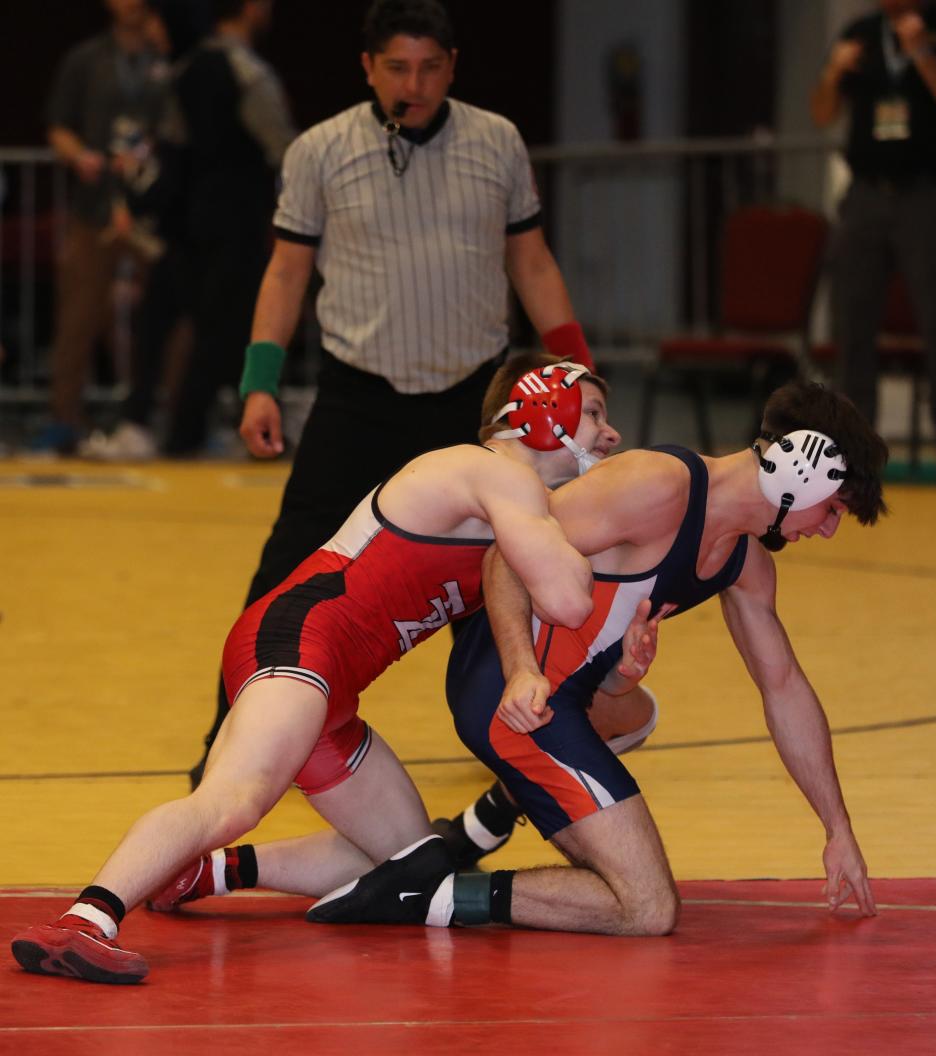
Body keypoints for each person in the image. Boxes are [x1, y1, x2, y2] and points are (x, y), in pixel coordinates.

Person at [10, 358, 625, 984]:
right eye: (596, 412)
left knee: (416, 864)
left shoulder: (521, 511)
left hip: (330, 684)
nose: (612, 436)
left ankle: (209, 872)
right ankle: (85, 921)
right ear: (542, 408)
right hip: (301, 641)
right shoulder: (491, 473)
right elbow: (570, 599)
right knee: (234, 797)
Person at [305, 381, 887, 935]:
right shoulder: (659, 485)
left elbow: (784, 689)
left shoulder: (746, 564)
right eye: (833, 508)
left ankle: (463, 849)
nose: (829, 530)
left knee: (637, 718)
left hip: (565, 702)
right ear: (801, 472)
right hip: (513, 699)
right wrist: (520, 671)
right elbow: (508, 554)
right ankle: (431, 892)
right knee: (647, 907)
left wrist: (838, 829)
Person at [190, 0, 596, 784]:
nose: (416, 83)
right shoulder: (319, 151)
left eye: (432, 66)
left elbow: (533, 264)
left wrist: (576, 369)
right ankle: (228, 752)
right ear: (367, 68)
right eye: (398, 68)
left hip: (472, 408)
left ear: (453, 64)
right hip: (357, 399)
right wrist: (259, 384)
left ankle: (526, 734)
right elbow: (285, 272)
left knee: (498, 580)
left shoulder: (497, 142)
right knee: (284, 579)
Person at [82, 0, 296, 460]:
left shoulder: (209, 70)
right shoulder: (199, 69)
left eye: (158, 21)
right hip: (203, 229)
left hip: (217, 229)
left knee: (216, 333)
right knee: (198, 328)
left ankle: (185, 431)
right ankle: (170, 429)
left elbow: (195, 157)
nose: (153, 31)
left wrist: (144, 199)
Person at [810, 0, 936, 484]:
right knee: (852, 323)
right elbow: (821, 114)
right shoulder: (861, 32)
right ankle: (854, 456)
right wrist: (833, 74)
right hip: (867, 193)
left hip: (926, 194)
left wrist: (921, 54)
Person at [36, 0, 171, 455]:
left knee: (171, 317)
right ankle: (63, 420)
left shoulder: (166, 55)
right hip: (95, 209)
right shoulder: (86, 58)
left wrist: (153, 155)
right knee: (77, 317)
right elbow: (58, 126)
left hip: (153, 211)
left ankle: (168, 417)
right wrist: (79, 156)